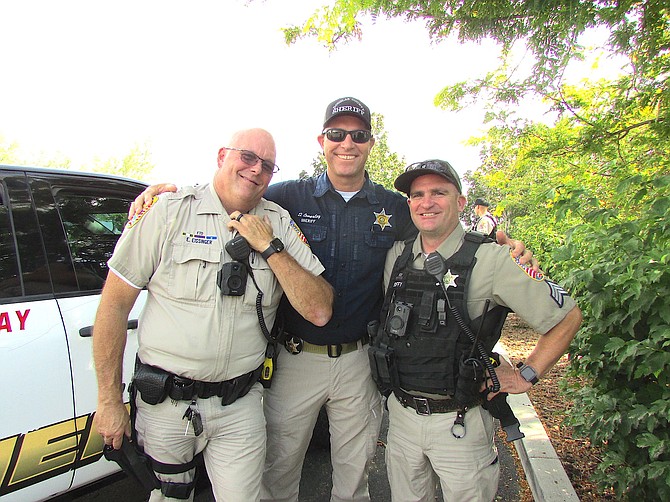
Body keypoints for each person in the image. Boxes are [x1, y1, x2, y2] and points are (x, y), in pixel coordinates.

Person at [128, 98, 538, 502]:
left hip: (361, 360)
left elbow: (441, 231)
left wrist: (506, 248)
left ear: (370, 144)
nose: (347, 143)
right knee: (279, 468)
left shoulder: (395, 206)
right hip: (294, 358)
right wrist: (161, 195)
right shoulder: (289, 197)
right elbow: (229, 194)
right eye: (337, 134)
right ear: (321, 141)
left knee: (354, 470)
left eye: (358, 135)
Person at [92, 128, 334, 502]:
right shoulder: (168, 211)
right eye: (247, 157)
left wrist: (270, 248)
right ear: (222, 156)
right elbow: (113, 306)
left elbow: (319, 309)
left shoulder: (279, 222)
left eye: (267, 166)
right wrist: (108, 400)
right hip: (165, 405)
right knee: (169, 497)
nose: (256, 170)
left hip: (239, 405)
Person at [370, 160, 582, 501]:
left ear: (461, 201)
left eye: (439, 192)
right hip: (402, 419)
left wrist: (527, 373)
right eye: (417, 195)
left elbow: (566, 317)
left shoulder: (494, 259)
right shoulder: (396, 255)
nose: (427, 202)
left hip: (460, 425)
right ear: (408, 203)